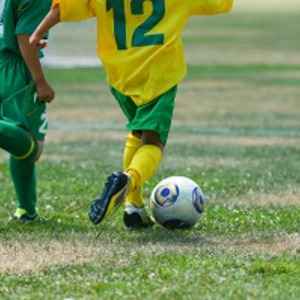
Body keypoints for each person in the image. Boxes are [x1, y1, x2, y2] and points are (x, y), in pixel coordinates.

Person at [30, 0, 234, 228]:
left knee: (137, 131)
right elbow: (219, 4)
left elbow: (65, 7)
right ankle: (128, 180)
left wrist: (38, 32)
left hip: (121, 75)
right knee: (153, 142)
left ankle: (134, 206)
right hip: (158, 73)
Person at [0, 0, 54, 221]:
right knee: (31, 146)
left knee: (18, 136)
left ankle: (27, 210)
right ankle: (25, 209)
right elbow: (24, 38)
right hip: (15, 69)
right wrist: (40, 81)